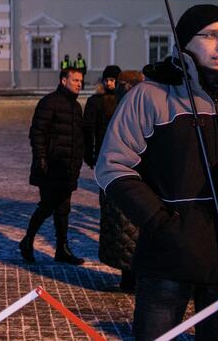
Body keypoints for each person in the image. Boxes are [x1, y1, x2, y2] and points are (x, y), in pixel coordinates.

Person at [96, 4, 218, 340]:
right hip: (170, 252)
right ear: (186, 43)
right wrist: (159, 221)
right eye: (210, 35)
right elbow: (113, 165)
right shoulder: (151, 95)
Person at [20, 67, 84, 265]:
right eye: (75, 80)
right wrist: (41, 159)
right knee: (47, 206)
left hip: (68, 168)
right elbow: (37, 133)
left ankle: (62, 249)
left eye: (81, 81)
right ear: (63, 80)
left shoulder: (76, 106)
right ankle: (27, 240)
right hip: (50, 167)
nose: (79, 84)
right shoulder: (49, 103)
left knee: (63, 208)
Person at [96, 70, 144, 293]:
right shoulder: (139, 108)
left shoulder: (118, 108)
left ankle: (130, 279)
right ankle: (132, 278)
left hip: (121, 180)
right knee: (129, 234)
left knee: (127, 234)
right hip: (127, 180)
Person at [83, 65, 121, 169]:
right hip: (101, 148)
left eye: (112, 80)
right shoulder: (95, 100)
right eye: (106, 80)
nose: (108, 83)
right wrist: (89, 152)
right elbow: (88, 127)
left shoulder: (123, 100)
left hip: (120, 149)